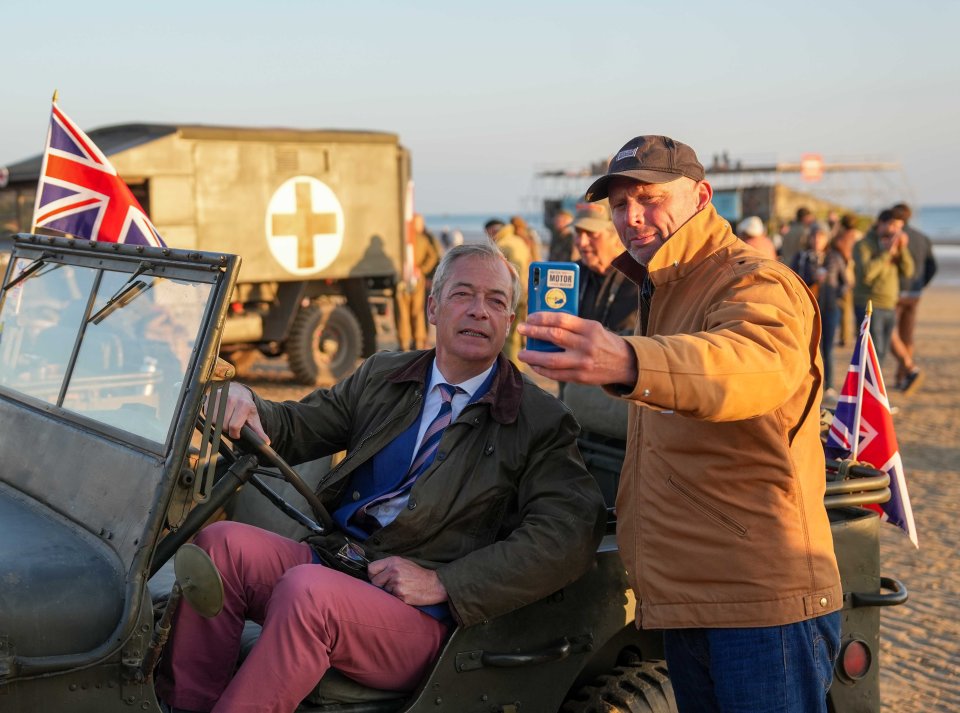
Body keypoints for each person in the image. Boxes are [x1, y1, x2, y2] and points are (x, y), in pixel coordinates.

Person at [156, 243, 605, 713]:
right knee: (219, 546)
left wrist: (446, 583)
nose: (479, 311)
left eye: (496, 301)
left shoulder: (538, 418)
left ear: (509, 322)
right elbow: (300, 426)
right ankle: (186, 705)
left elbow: (569, 532)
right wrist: (248, 400)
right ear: (433, 307)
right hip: (343, 560)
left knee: (307, 593)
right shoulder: (385, 375)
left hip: (424, 616)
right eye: (463, 294)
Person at [518, 134, 842, 713]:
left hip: (759, 600)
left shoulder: (753, 280)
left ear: (702, 195)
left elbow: (748, 366)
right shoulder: (662, 286)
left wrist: (628, 360)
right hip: (690, 598)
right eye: (618, 204)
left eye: (648, 198)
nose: (631, 217)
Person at [790, 224, 848, 396]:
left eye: (821, 236)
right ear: (809, 238)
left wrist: (834, 294)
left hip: (830, 309)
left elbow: (845, 283)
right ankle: (807, 387)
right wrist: (812, 279)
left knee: (828, 349)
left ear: (827, 238)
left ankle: (829, 386)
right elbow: (791, 281)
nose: (817, 240)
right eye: (814, 236)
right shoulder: (801, 258)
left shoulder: (834, 257)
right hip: (807, 311)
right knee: (807, 349)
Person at [853, 207, 914, 366]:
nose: (896, 231)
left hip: (889, 305)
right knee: (872, 353)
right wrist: (887, 253)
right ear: (881, 224)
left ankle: (871, 389)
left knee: (882, 354)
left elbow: (908, 271)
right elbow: (867, 274)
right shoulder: (864, 245)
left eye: (899, 227)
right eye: (893, 226)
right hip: (869, 305)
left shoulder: (897, 246)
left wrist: (903, 250)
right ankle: (867, 389)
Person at [889, 202, 936, 393]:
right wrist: (921, 285)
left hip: (897, 292)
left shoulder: (895, 236)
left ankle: (907, 369)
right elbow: (932, 266)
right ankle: (903, 377)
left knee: (890, 333)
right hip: (915, 293)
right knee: (907, 337)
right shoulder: (923, 237)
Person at [572, 201, 638, 334]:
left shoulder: (642, 278)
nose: (581, 242)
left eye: (591, 233)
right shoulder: (572, 275)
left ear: (617, 234)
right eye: (578, 233)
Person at [395, 213, 440, 350]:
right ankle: (419, 341)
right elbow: (433, 256)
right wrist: (422, 270)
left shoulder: (400, 239)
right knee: (418, 311)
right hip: (417, 277)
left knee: (403, 311)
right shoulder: (422, 239)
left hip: (402, 278)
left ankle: (404, 343)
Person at [490, 221, 532, 362]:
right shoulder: (519, 241)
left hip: (510, 294)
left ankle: (511, 368)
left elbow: (496, 273)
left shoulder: (503, 244)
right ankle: (517, 367)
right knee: (516, 335)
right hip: (523, 291)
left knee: (506, 337)